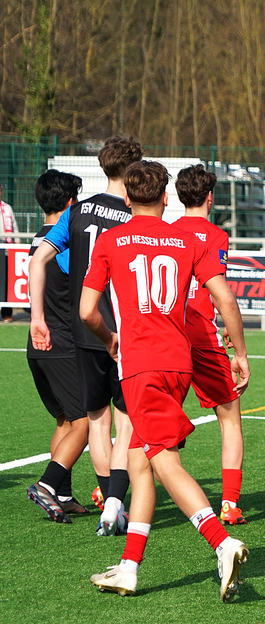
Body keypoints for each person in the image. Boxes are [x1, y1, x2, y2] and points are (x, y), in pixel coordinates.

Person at [81, 160, 250, 601]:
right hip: (179, 363)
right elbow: (224, 296)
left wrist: (109, 338)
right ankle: (129, 568)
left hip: (141, 366)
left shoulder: (110, 240)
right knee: (140, 462)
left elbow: (85, 311)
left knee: (164, 462)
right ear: (165, 198)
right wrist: (242, 353)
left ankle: (221, 542)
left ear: (126, 198)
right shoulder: (185, 238)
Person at [29, 134, 141, 536]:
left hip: (80, 329)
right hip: (121, 332)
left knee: (96, 418)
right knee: (127, 421)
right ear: (133, 171)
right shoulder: (133, 216)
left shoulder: (75, 213)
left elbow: (39, 258)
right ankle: (115, 502)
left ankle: (109, 497)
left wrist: (36, 317)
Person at [172, 164, 247, 525]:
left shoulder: (166, 232)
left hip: (166, 333)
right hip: (201, 334)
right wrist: (237, 343)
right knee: (229, 417)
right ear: (210, 197)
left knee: (146, 422)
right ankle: (229, 503)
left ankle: (111, 493)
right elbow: (220, 293)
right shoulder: (215, 235)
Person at [26, 170, 90, 523]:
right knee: (84, 422)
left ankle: (61, 494)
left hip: (37, 345)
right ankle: (47, 485)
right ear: (70, 204)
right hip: (61, 343)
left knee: (65, 420)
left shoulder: (38, 239)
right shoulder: (63, 244)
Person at [0, 182, 19, 321]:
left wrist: (17, 242)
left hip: (7, 249)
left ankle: (7, 313)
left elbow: (14, 226)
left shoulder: (7, 208)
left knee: (7, 281)